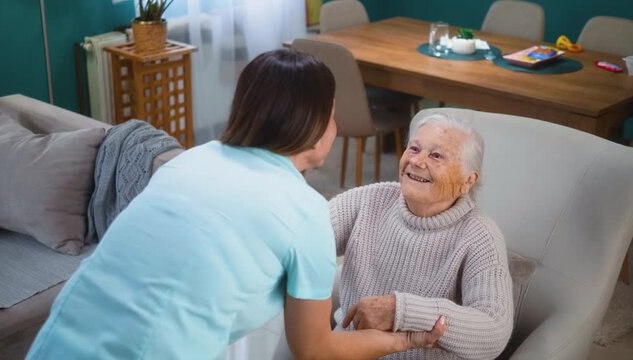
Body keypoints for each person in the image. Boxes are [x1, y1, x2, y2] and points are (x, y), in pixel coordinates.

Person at [26, 49, 445, 360]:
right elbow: (315, 350)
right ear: (315, 125)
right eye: (332, 116)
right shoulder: (306, 212)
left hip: (58, 338)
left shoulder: (194, 157)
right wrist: (406, 339)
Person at [330, 113, 513, 359]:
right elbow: (304, 236)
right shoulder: (371, 199)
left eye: (436, 155)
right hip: (346, 352)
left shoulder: (481, 237)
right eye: (414, 148)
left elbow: (494, 330)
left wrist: (401, 311)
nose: (417, 161)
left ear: (468, 180)